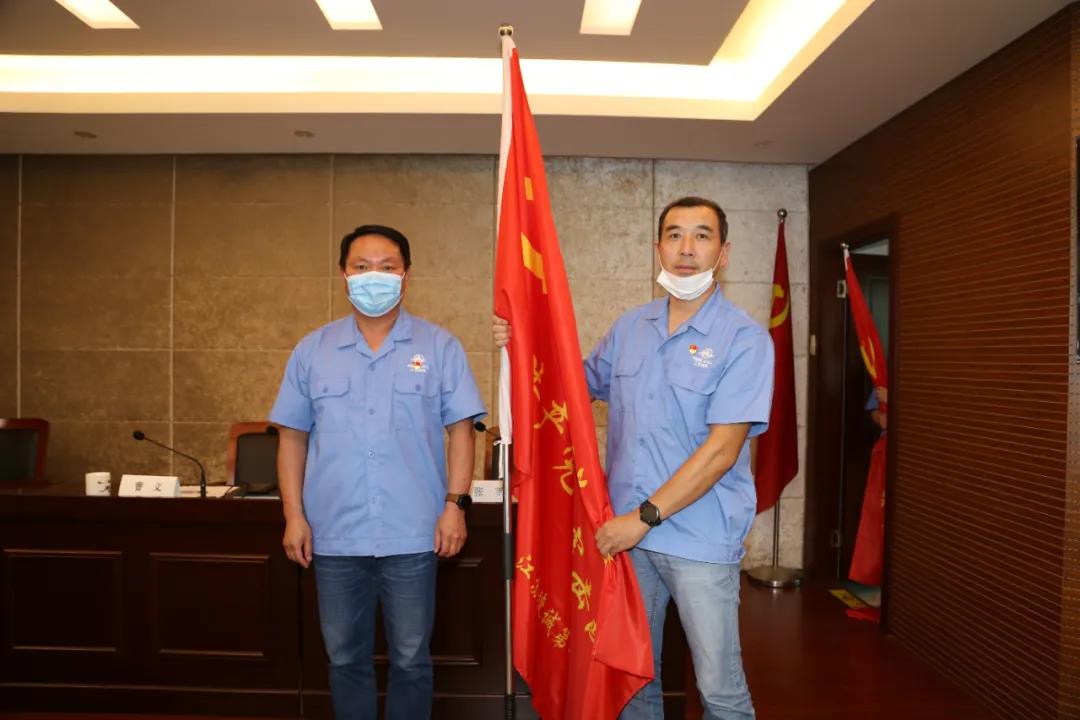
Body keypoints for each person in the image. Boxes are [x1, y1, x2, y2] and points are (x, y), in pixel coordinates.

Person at [493, 196, 774, 719]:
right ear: (657, 247)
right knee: (633, 682)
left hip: (697, 539)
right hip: (625, 541)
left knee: (720, 690)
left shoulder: (744, 339)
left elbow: (721, 451)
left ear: (724, 252)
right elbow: (570, 387)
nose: (686, 249)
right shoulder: (630, 328)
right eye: (674, 235)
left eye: (701, 236)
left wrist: (643, 518)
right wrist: (520, 344)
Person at [271, 224, 486, 720]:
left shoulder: (439, 346)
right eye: (362, 267)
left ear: (406, 276)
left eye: (387, 267)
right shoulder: (313, 350)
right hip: (334, 535)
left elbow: (461, 432)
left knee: (411, 658)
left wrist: (455, 506)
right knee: (345, 657)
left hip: (414, 533)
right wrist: (293, 516)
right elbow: (292, 437)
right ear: (343, 274)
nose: (374, 276)